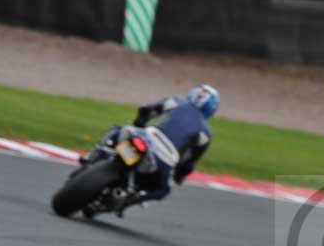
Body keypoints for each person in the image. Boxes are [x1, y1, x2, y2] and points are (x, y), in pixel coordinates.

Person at [80, 84, 219, 214]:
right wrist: (179, 176)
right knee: (163, 190)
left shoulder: (176, 101)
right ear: (211, 109)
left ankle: (91, 156)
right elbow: (190, 163)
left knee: (118, 130)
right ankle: (130, 198)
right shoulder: (205, 133)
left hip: (145, 140)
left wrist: (139, 123)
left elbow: (146, 110)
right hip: (163, 161)